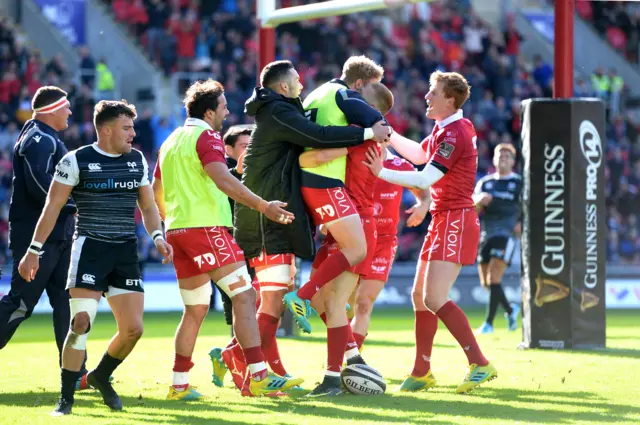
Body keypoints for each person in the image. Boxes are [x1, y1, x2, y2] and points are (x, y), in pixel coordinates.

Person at [228, 60, 388, 390]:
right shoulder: (341, 112)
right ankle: (252, 361)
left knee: (324, 303)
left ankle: (333, 366)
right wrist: (371, 132)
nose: (302, 84)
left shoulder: (306, 104)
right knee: (299, 297)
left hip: (319, 212)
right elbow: (311, 149)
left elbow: (307, 149)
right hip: (316, 209)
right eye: (297, 80)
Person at [18, 100, 173, 416]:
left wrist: (158, 236)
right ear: (106, 130)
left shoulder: (136, 161)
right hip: (90, 250)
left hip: (125, 251)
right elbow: (52, 208)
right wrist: (33, 251)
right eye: (126, 128)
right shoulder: (76, 161)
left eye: (132, 127)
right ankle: (66, 399)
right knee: (81, 323)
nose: (133, 133)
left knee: (134, 330)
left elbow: (146, 207)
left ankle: (100, 375)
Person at [151, 79, 303, 400]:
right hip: (207, 229)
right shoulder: (206, 136)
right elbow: (223, 180)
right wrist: (264, 205)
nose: (227, 111)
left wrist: (168, 226)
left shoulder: (171, 141)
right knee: (246, 297)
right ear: (209, 112)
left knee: (194, 310)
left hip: (179, 232)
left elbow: (156, 191)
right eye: (223, 107)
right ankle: (260, 376)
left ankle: (179, 385)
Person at [363, 70, 497, 394]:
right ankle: (422, 371)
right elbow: (421, 155)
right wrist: (388, 134)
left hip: (456, 218)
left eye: (433, 92)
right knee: (419, 298)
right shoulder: (445, 128)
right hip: (443, 217)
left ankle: (479, 363)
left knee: (434, 297)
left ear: (449, 99)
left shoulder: (456, 133)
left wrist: (381, 171)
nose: (426, 96)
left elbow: (424, 178)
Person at [282, 55, 391, 395]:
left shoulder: (367, 138)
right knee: (324, 306)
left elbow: (317, 156)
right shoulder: (361, 133)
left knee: (334, 303)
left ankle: (331, 378)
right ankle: (353, 357)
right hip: (339, 219)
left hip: (357, 223)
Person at [0, 86, 92, 390]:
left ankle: (77, 373)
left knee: (68, 304)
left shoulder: (48, 139)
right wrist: (74, 205)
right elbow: (42, 187)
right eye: (66, 108)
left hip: (59, 235)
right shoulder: (39, 139)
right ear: (53, 108)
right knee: (20, 304)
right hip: (39, 238)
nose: (70, 113)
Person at [473, 143, 522, 334]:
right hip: (486, 234)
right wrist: (479, 201)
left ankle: (488, 324)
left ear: (513, 161)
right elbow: (473, 207)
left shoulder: (518, 183)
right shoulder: (485, 183)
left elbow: (529, 205)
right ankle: (511, 310)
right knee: (486, 283)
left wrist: (522, 223)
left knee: (494, 277)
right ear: (493, 160)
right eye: (499, 156)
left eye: (507, 156)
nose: (503, 159)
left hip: (506, 233)